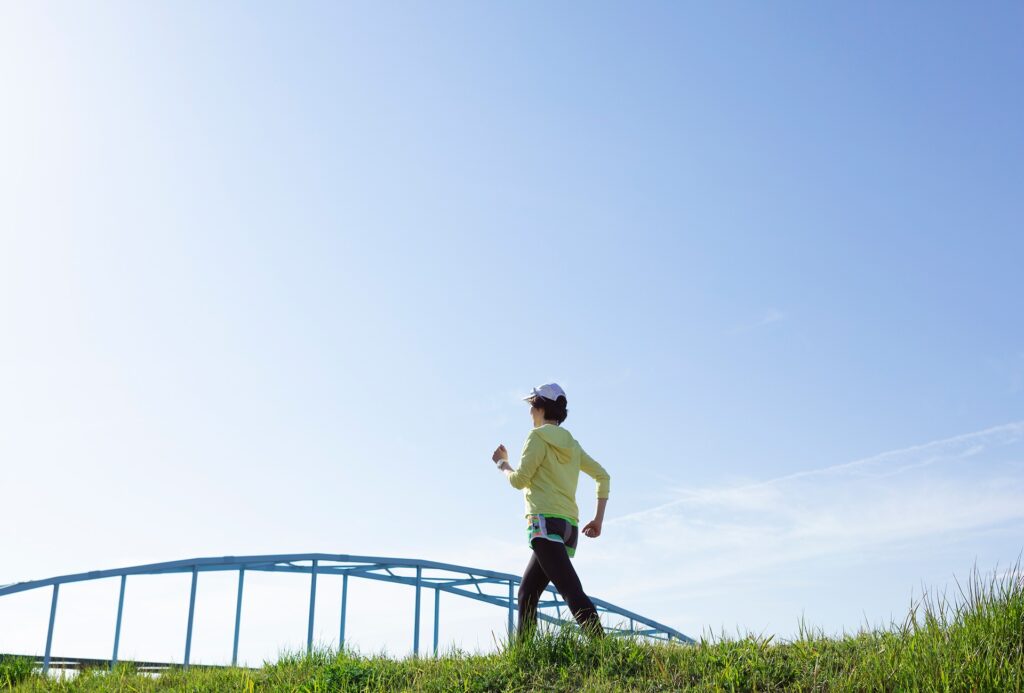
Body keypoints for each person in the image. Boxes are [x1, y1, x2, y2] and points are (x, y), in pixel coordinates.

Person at [491, 382, 610, 640]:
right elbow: (603, 476)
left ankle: (604, 650)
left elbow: (519, 480)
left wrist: (502, 463)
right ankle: (523, 656)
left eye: (532, 406)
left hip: (544, 525)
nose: (530, 413)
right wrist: (598, 520)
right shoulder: (573, 445)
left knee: (571, 592)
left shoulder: (536, 438)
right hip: (568, 529)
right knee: (527, 592)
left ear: (540, 407)